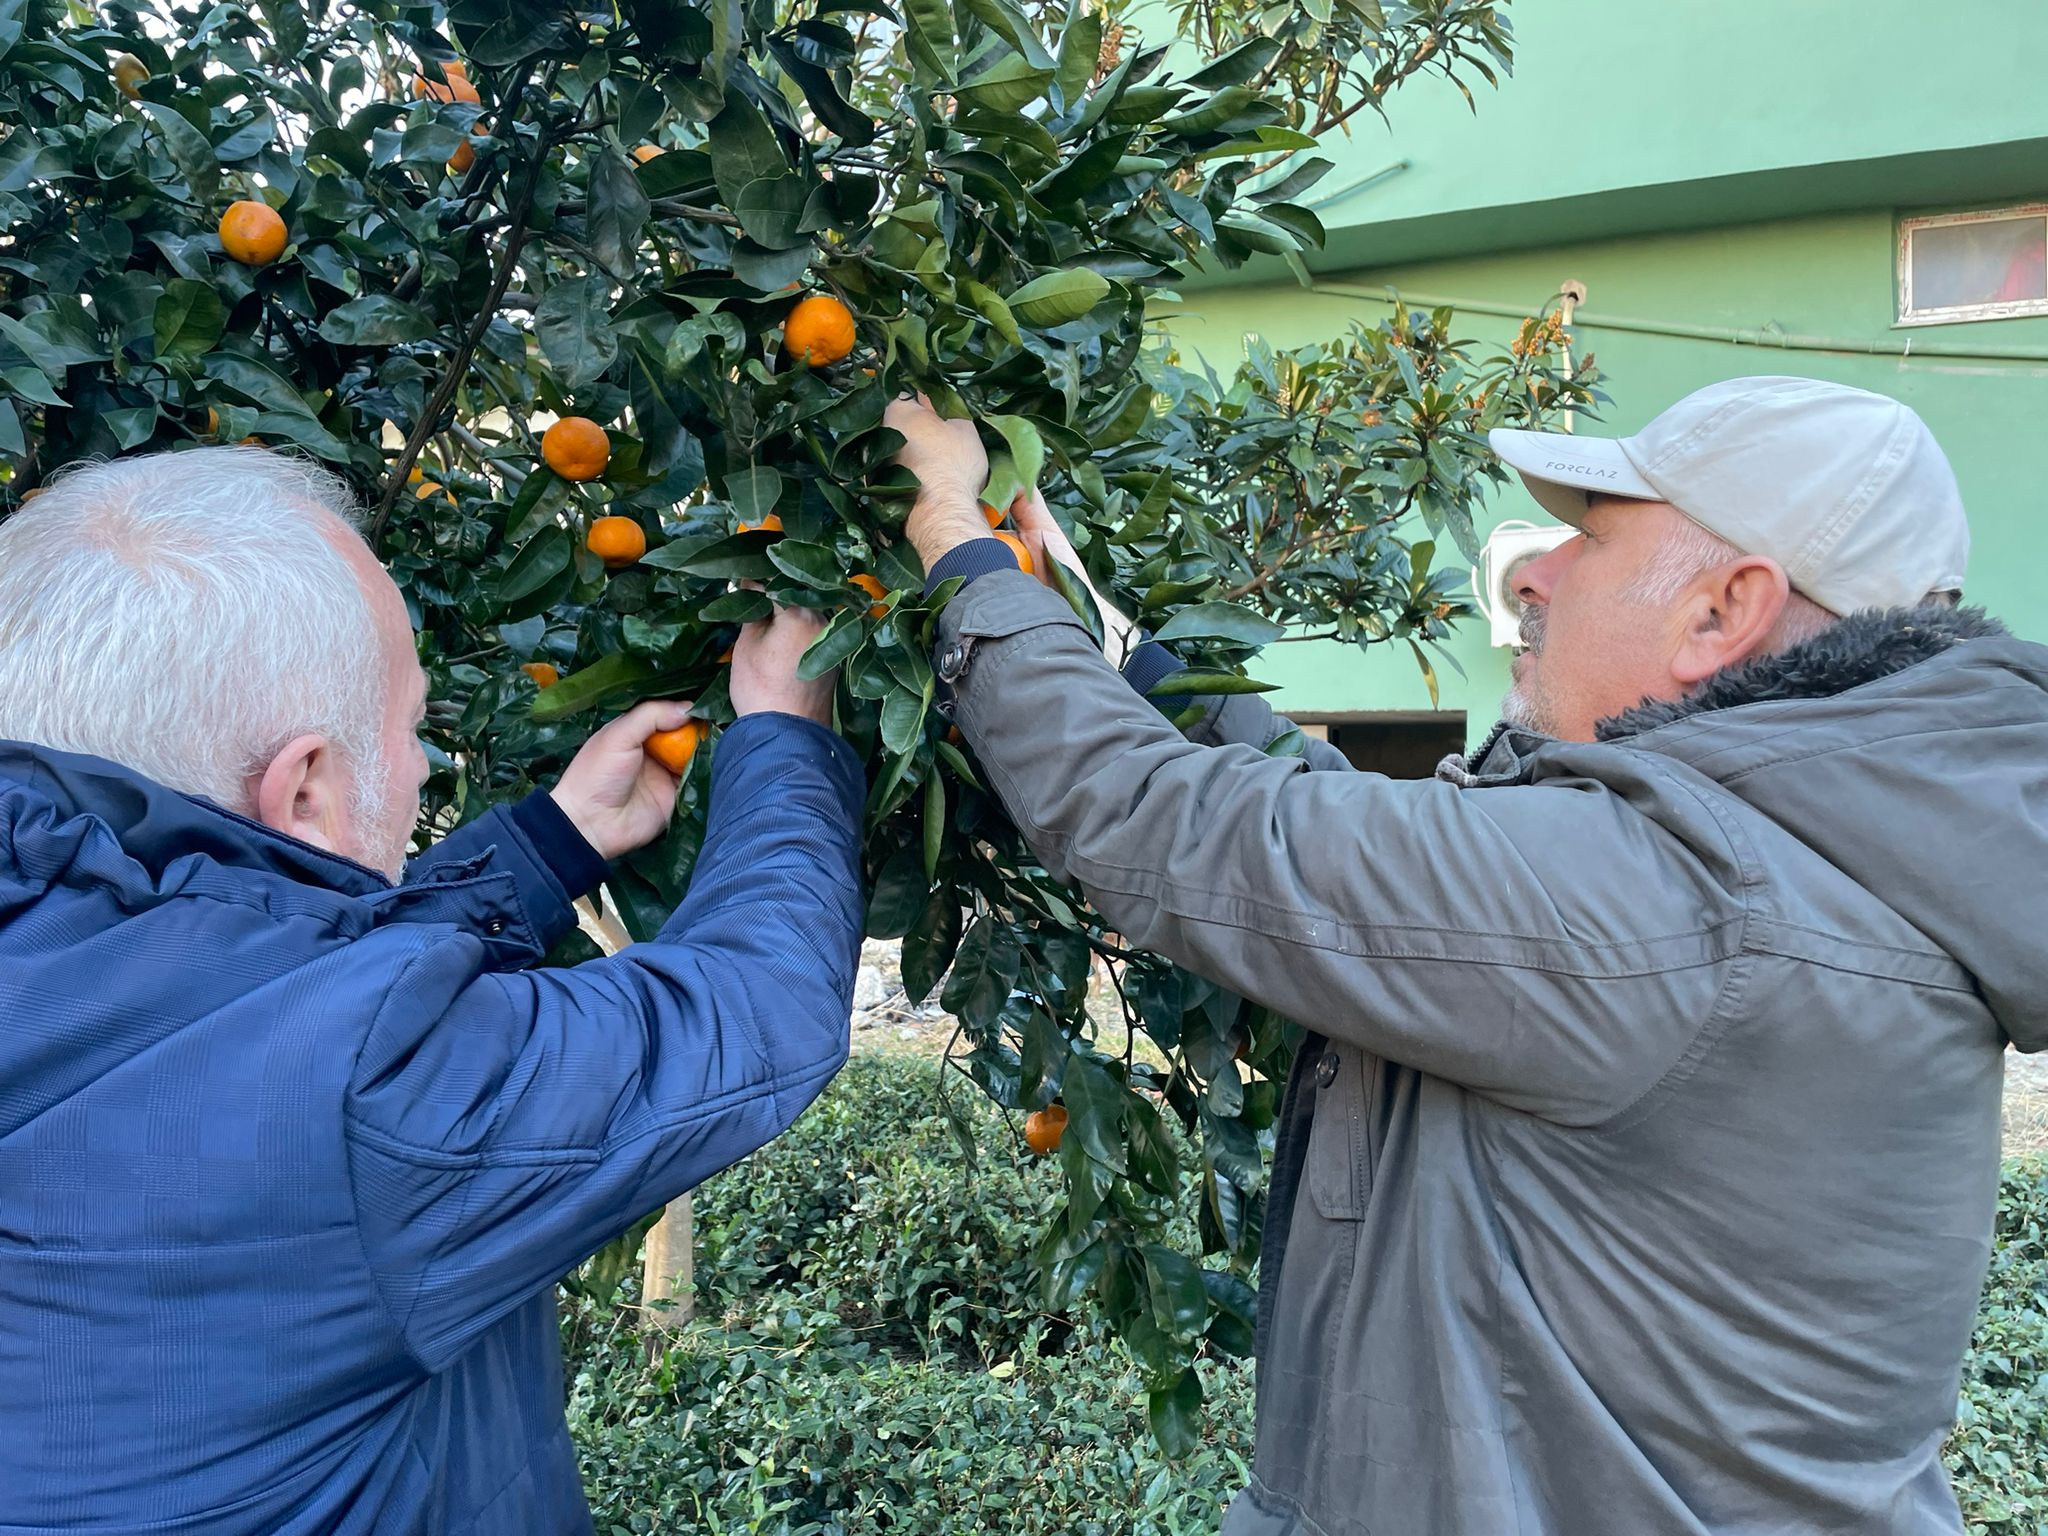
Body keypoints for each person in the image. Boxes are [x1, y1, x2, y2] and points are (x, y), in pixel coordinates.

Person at [885, 375, 2048, 1535]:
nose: (1530, 574)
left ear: (1720, 612)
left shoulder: (1682, 902)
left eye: (1586, 540)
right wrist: (1096, 620)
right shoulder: (1808, 868)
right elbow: (1349, 847)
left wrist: (950, 531)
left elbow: (1161, 822)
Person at [0, 448, 865, 1535]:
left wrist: (549, 848)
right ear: (307, 785)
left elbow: (240, 980)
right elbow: (755, 1006)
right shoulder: (365, 1102)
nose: (416, 769)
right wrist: (786, 730)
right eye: (408, 729)